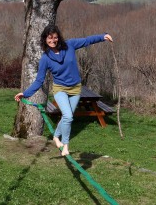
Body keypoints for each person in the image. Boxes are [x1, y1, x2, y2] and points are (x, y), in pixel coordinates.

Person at [15, 25, 113, 156]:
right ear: (45, 39)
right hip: (60, 89)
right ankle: (65, 145)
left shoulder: (69, 45)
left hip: (75, 89)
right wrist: (25, 93)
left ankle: (56, 137)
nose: (53, 41)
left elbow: (86, 40)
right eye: (49, 38)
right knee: (68, 116)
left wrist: (103, 36)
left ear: (58, 37)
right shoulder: (45, 58)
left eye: (55, 37)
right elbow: (39, 80)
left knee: (67, 117)